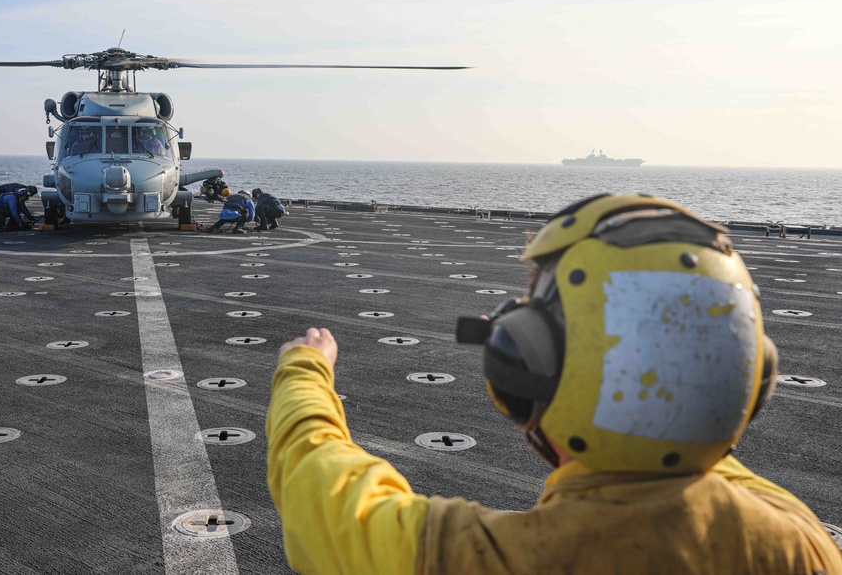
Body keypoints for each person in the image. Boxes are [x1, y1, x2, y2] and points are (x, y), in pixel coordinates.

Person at [266, 193, 842, 574]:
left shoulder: (486, 559)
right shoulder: (802, 544)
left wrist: (305, 371)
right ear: (752, 376)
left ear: (525, 368)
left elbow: (323, 495)